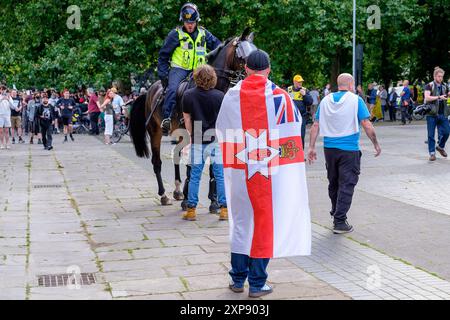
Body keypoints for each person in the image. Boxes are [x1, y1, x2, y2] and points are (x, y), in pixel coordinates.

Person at [216, 50, 311, 298]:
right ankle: (257, 283)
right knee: (264, 222)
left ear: (246, 68)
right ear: (268, 68)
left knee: (240, 221)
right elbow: (294, 129)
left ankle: (237, 280)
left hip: (239, 168)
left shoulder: (231, 96)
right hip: (269, 171)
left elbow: (221, 129)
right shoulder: (281, 97)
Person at [308, 73, 381, 234]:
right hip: (349, 150)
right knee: (347, 183)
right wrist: (375, 143)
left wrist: (311, 147)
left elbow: (315, 125)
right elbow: (366, 124)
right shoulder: (356, 100)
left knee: (333, 182)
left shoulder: (325, 100)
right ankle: (339, 221)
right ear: (350, 84)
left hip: (329, 149)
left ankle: (336, 211)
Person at [158, 2, 221, 134]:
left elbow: (219, 47)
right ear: (183, 21)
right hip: (180, 69)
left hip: (201, 70)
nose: (190, 25)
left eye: (192, 22)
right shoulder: (175, 34)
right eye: (187, 22)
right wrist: (164, 76)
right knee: (173, 89)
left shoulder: (204, 34)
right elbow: (163, 55)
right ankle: (167, 118)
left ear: (197, 21)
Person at [181, 65, 227, 221]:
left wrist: (191, 135)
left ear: (196, 77)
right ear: (213, 78)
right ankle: (224, 209)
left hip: (199, 139)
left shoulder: (188, 95)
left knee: (195, 176)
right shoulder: (220, 96)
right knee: (220, 176)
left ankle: (192, 210)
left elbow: (187, 119)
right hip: (216, 139)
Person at [425, 67, 449, 161]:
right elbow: (427, 98)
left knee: (447, 132)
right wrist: (439, 97)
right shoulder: (429, 85)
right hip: (432, 114)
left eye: (442, 77)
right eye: (439, 76)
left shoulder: (445, 86)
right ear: (434, 76)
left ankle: (440, 147)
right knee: (431, 135)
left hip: (443, 114)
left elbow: (447, 96)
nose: (440, 78)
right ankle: (432, 153)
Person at [287, 75, 313, 148]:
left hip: (302, 117)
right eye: (298, 82)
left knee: (301, 135)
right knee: (291, 135)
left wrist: (304, 95)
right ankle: (292, 154)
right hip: (291, 117)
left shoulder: (304, 90)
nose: (300, 84)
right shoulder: (289, 90)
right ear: (294, 82)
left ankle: (301, 154)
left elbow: (310, 102)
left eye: (301, 82)